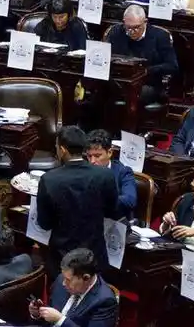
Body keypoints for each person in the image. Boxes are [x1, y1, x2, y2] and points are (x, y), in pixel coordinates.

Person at [36, 125, 120, 278]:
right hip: (94, 256)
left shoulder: (49, 180)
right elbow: (112, 211)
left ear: (62, 150)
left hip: (62, 259)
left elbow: (44, 223)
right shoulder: (105, 176)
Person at [28, 248, 118, 327]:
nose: (63, 283)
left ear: (86, 278)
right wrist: (38, 314)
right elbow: (51, 317)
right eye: (64, 277)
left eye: (68, 280)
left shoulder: (105, 301)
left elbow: (57, 319)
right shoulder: (60, 280)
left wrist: (60, 320)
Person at [108, 5, 177, 105]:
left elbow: (172, 66)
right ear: (124, 22)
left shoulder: (160, 36)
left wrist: (147, 70)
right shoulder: (116, 32)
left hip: (148, 83)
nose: (131, 32)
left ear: (145, 22)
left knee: (134, 95)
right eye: (128, 28)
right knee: (100, 89)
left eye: (136, 28)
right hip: (120, 81)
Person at [85, 130, 138, 220]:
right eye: (89, 156)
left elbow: (130, 200)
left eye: (97, 156)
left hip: (116, 224)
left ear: (109, 152)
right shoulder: (85, 171)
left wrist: (103, 199)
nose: (92, 161)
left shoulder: (123, 172)